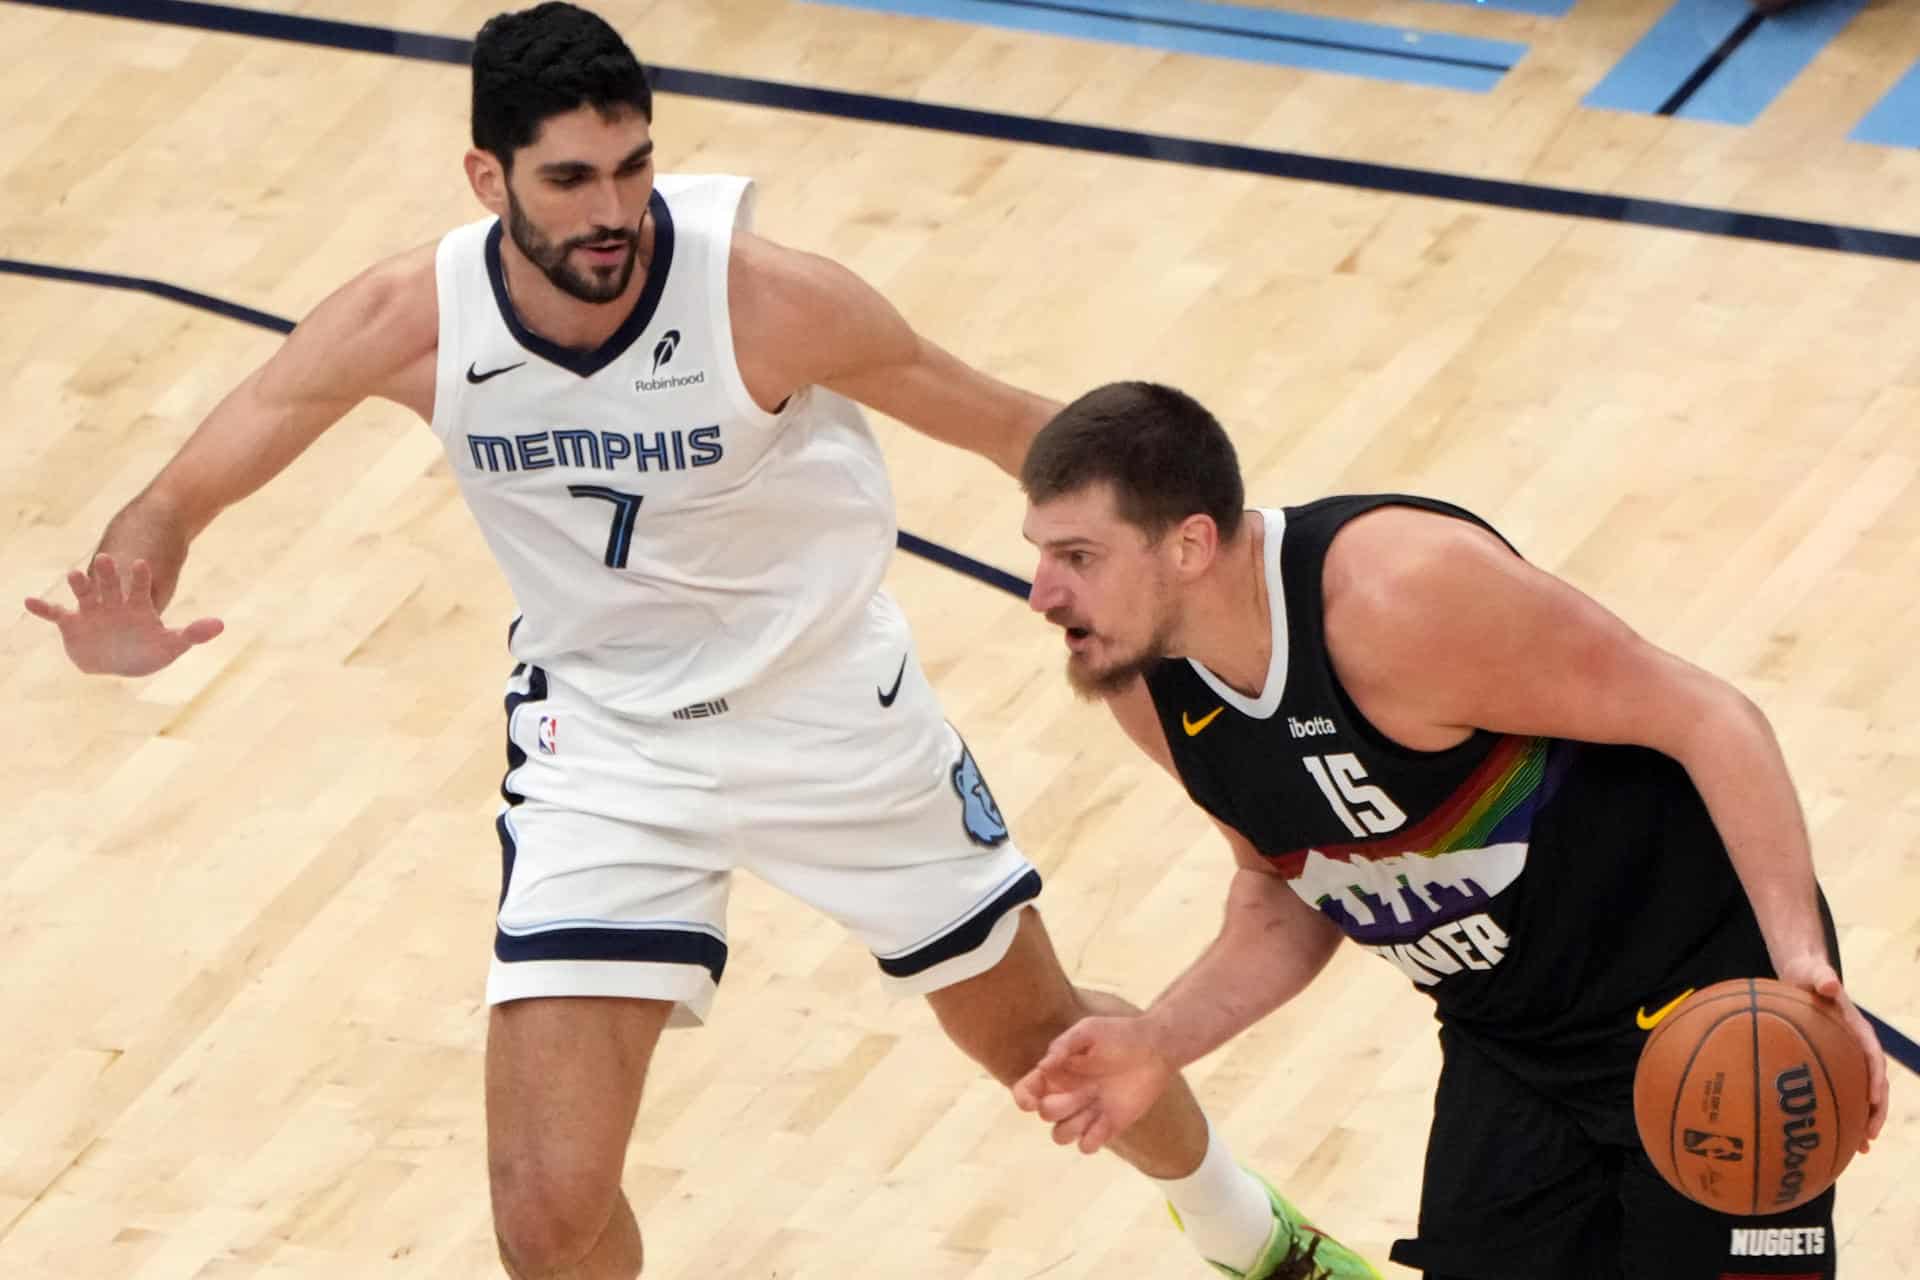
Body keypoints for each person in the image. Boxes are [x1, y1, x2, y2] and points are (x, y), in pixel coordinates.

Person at [23, 11, 1378, 1279]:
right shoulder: (410, 319)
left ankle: (1257, 1238)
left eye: (634, 166)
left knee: (1042, 1045)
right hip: (606, 750)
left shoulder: (766, 298)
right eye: (570, 180)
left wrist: (1228, 547)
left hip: (835, 722)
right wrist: (135, 576)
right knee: (544, 1220)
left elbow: (1010, 425)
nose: (614, 211)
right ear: (486, 179)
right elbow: (197, 473)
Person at [1008, 381, 1890, 1279]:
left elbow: (1710, 717)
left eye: (1078, 555)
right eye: (1039, 554)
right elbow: (1287, 883)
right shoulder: (1154, 693)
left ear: (1191, 543)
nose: (1042, 593)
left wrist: (1798, 966)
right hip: (1512, 1039)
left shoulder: (1400, 596)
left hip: (1700, 1006)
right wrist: (1160, 1040)